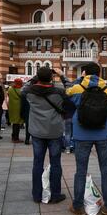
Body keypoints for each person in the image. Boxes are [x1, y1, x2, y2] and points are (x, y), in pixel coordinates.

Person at [58, 62, 107, 215]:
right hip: (103, 135)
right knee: (106, 170)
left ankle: (78, 206)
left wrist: (81, 79)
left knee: (81, 171)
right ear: (100, 74)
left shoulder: (77, 89)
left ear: (85, 73)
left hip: (81, 136)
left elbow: (66, 95)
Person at [26, 67, 66, 204]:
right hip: (55, 132)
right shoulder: (59, 92)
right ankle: (55, 194)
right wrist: (62, 75)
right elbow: (72, 91)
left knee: (37, 163)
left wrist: (36, 77)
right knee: (55, 163)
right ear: (51, 78)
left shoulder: (29, 92)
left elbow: (25, 86)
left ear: (37, 77)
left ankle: (37, 195)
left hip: (37, 132)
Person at [8, 78, 24, 143]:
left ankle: (13, 136)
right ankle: (15, 138)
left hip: (12, 108)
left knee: (14, 123)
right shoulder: (21, 90)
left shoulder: (10, 89)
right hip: (18, 108)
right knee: (17, 124)